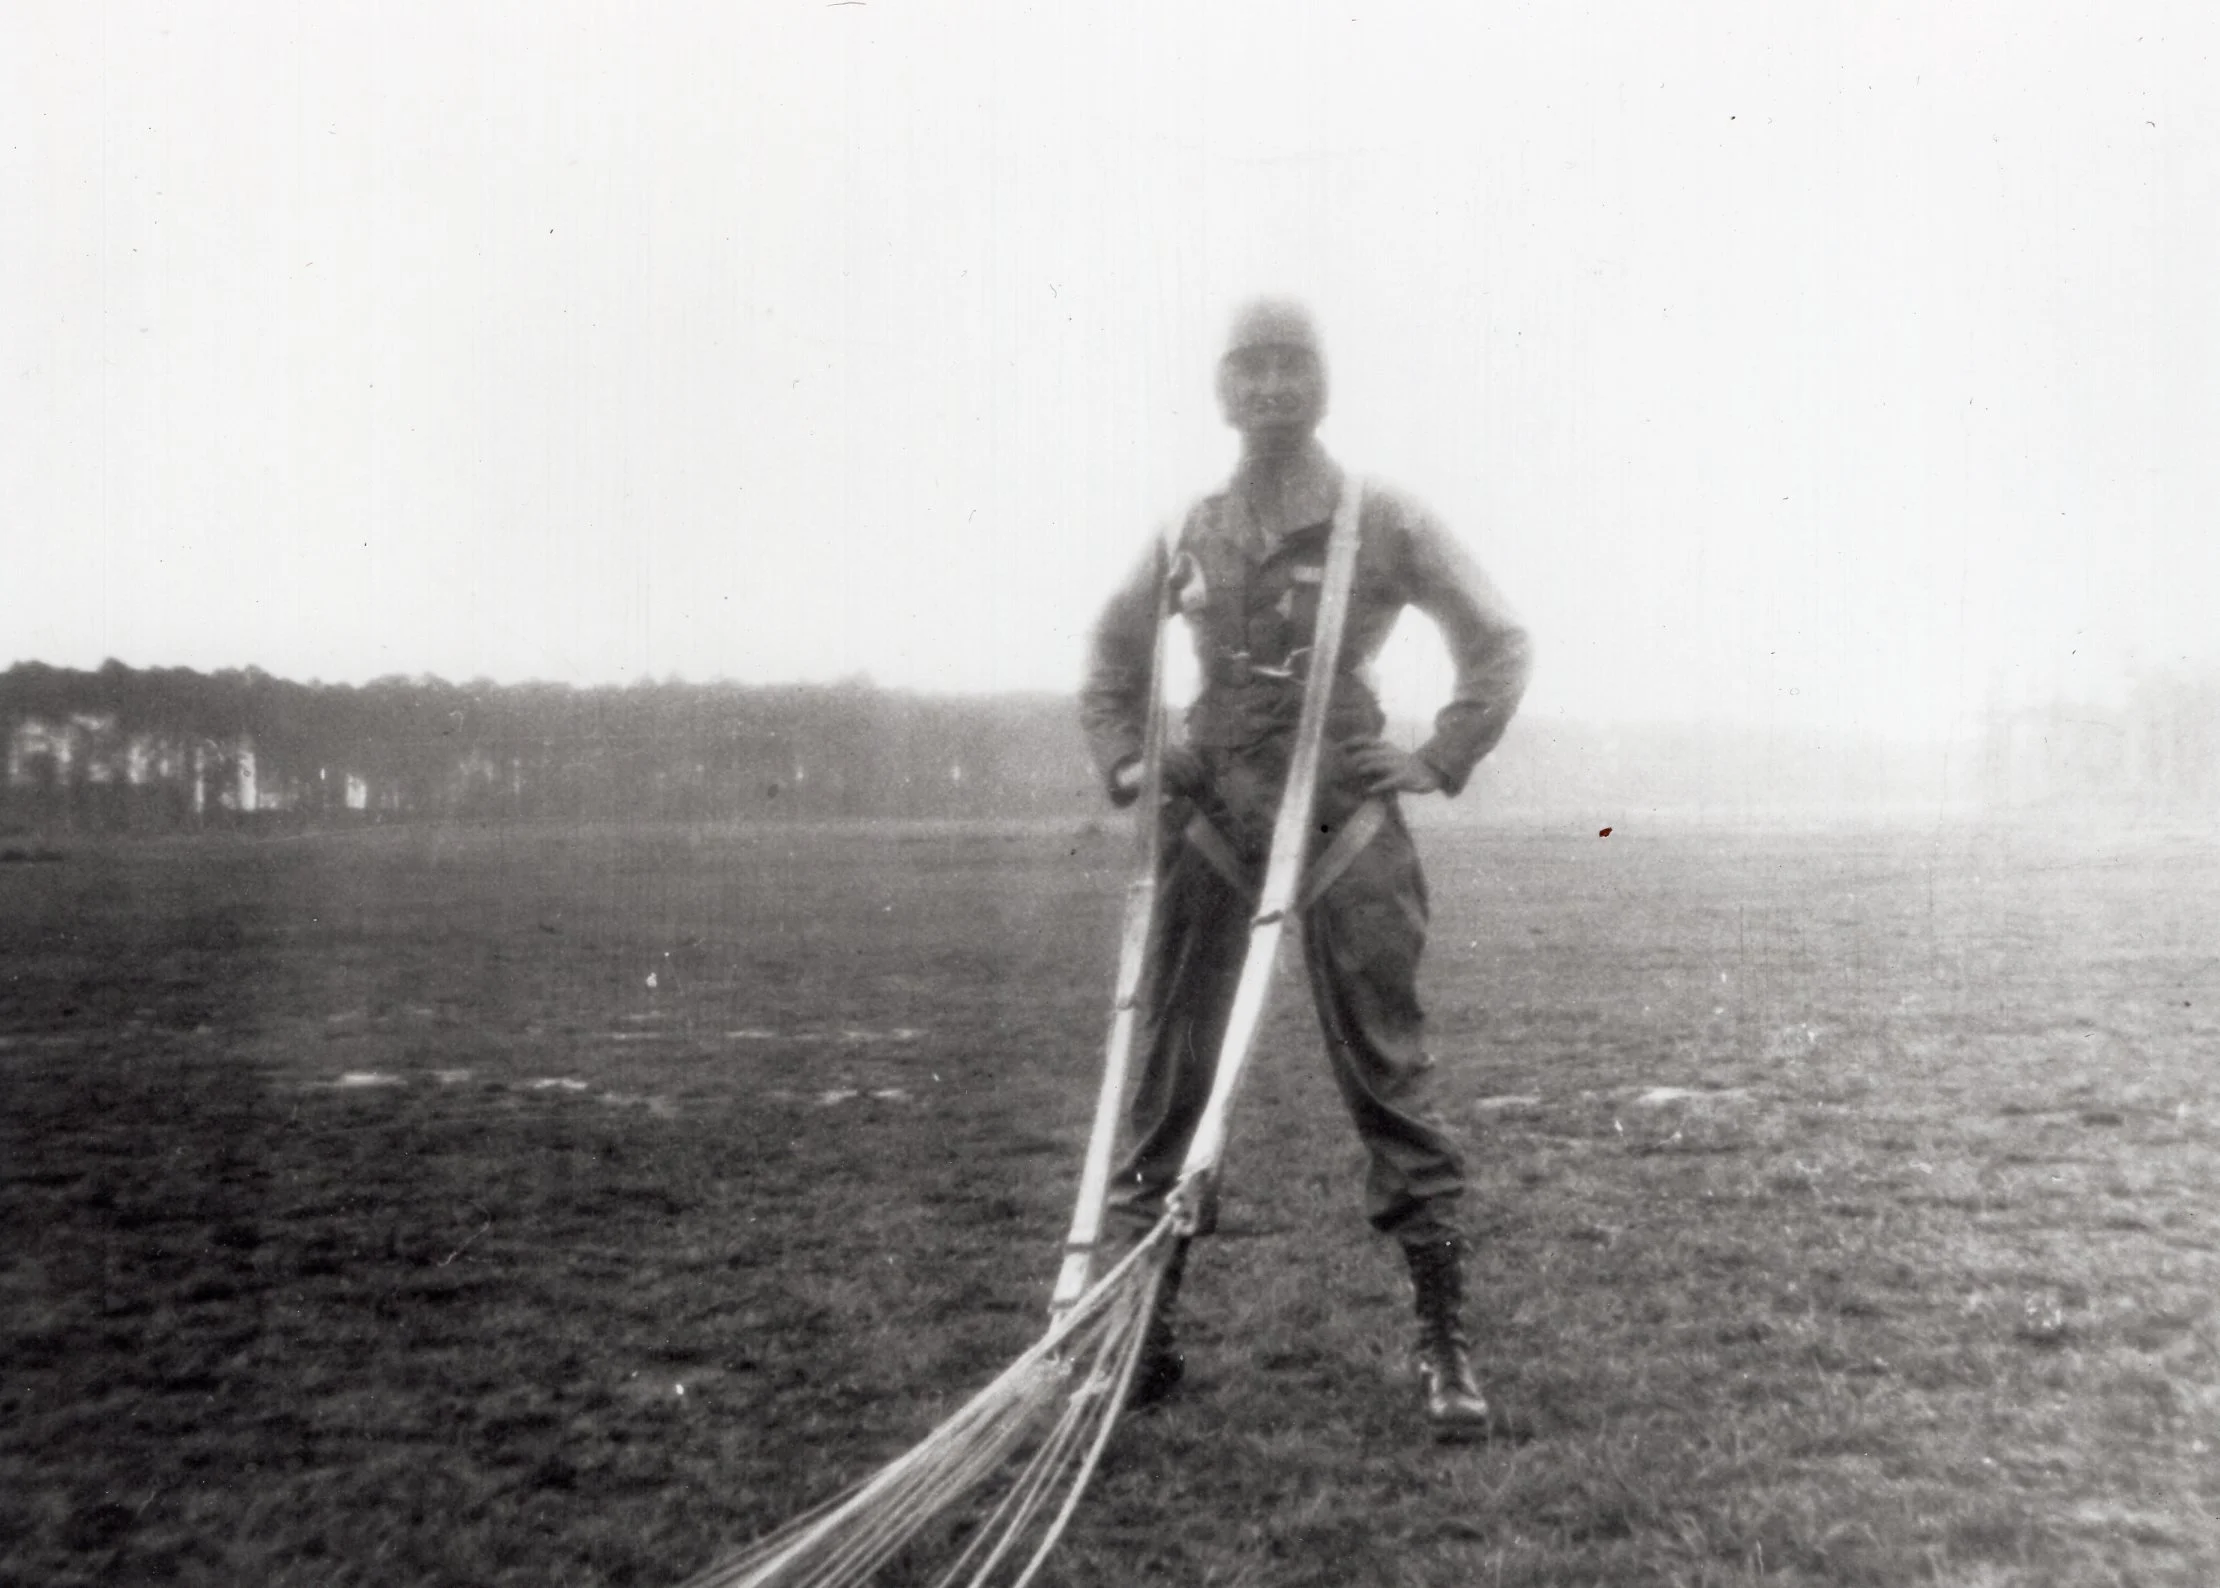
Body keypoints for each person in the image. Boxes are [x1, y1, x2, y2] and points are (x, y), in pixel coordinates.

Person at [1078, 297, 1533, 1439]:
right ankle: (1143, 1337)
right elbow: (1112, 656)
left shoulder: (1383, 515)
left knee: (1390, 1079)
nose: (1272, 387)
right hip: (1211, 830)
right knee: (1169, 1086)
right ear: (1222, 389)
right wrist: (1133, 761)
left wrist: (1437, 756)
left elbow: (1498, 640)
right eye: (1250, 369)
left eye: (1293, 367)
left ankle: (1443, 1346)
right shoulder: (1189, 526)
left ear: (1322, 383)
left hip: (1345, 831)